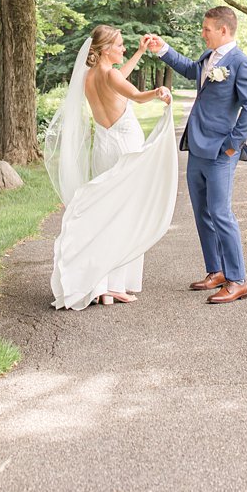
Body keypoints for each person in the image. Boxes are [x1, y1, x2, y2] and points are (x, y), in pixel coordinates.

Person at [46, 26, 177, 310]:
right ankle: (114, 286)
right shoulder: (110, 75)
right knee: (124, 214)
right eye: (119, 45)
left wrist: (142, 52)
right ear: (105, 49)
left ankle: (103, 285)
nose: (123, 49)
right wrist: (158, 92)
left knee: (106, 212)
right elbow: (135, 95)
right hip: (124, 149)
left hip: (103, 150)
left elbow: (118, 80)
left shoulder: (88, 76)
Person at [142, 6, 247, 305]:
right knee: (202, 213)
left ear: (223, 30)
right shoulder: (209, 59)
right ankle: (216, 271)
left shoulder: (242, 63)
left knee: (221, 213)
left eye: (207, 29)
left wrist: (232, 145)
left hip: (222, 151)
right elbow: (190, 70)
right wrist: (163, 49)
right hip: (196, 147)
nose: (202, 33)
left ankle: (238, 280)